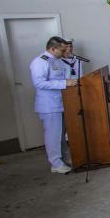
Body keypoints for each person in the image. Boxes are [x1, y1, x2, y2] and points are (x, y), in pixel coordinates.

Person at [30, 36, 77, 173]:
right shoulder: (40, 62)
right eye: (62, 50)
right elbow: (39, 83)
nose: (64, 52)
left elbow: (67, 77)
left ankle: (63, 160)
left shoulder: (58, 61)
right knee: (54, 136)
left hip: (62, 103)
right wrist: (64, 83)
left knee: (61, 136)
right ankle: (56, 164)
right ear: (52, 49)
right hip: (49, 106)